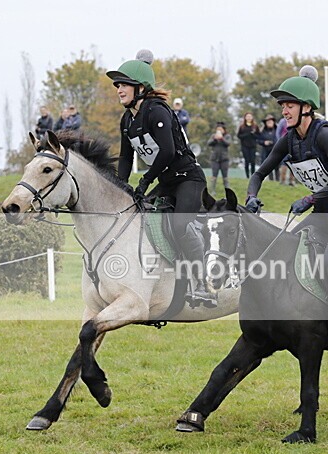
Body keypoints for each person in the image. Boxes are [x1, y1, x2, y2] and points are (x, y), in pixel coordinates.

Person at [245, 65, 328, 350]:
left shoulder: (323, 135)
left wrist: (310, 199)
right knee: (287, 250)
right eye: (282, 106)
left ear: (306, 108)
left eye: (289, 105)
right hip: (321, 215)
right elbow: (259, 173)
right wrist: (251, 196)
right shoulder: (289, 140)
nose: (284, 111)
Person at [107, 49, 215, 308]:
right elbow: (125, 159)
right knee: (138, 218)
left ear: (140, 88)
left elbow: (166, 151)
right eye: (117, 85)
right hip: (166, 182)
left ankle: (203, 284)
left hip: (188, 178)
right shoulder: (127, 120)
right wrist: (121, 187)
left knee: (179, 225)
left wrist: (145, 180)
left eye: (124, 85)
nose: (119, 90)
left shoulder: (157, 111)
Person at [207, 121, 231, 195]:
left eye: (221, 129)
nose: (219, 131)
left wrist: (222, 139)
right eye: (218, 129)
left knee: (225, 176)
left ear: (224, 130)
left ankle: (228, 191)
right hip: (214, 159)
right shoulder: (213, 136)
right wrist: (215, 139)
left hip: (224, 159)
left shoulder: (227, 136)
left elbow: (228, 143)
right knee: (214, 175)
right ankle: (212, 191)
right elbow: (209, 143)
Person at [257, 114, 279, 181]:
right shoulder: (262, 131)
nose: (269, 123)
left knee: (277, 166)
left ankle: (278, 180)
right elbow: (258, 140)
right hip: (266, 151)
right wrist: (264, 142)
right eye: (268, 122)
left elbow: (281, 138)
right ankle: (271, 180)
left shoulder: (277, 129)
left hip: (276, 150)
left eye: (271, 121)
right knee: (268, 166)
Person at [237, 112, 259, 178]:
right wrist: (247, 134)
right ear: (245, 118)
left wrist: (253, 134)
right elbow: (239, 136)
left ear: (252, 117)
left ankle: (253, 175)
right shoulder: (242, 126)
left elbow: (258, 136)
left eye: (250, 116)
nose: (249, 118)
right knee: (246, 160)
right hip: (245, 146)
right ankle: (247, 176)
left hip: (253, 146)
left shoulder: (255, 126)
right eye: (247, 116)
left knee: (252, 161)